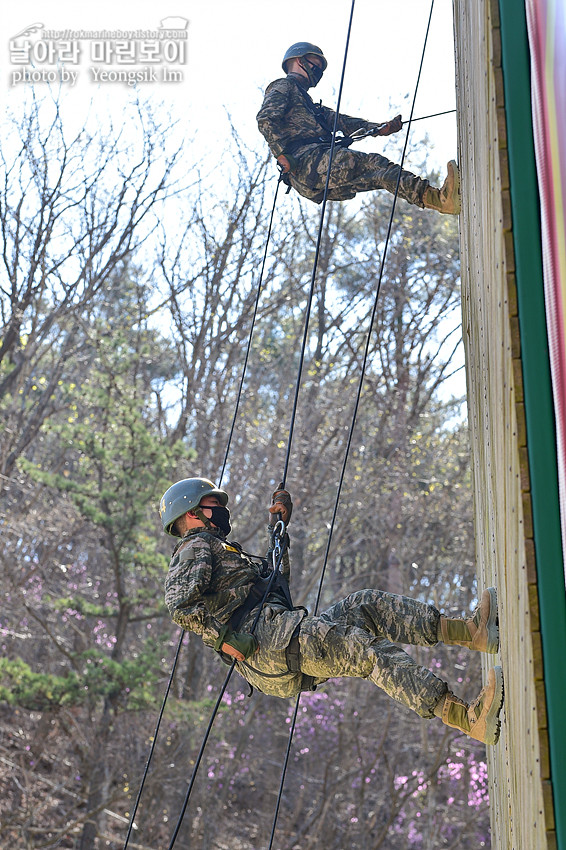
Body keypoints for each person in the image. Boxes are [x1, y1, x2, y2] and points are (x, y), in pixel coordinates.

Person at [161, 477, 504, 745]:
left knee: (365, 605)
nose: (221, 509)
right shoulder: (195, 546)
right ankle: (468, 719)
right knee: (365, 651)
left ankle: (473, 633)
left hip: (279, 636)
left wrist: (278, 530)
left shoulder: (218, 548)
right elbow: (179, 605)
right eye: (213, 503)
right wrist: (224, 640)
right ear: (193, 511)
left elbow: (275, 585)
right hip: (270, 644)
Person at [256, 41, 460, 214]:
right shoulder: (284, 86)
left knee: (381, 174)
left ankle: (441, 200)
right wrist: (281, 153)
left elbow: (342, 122)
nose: (318, 72)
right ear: (299, 61)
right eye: (315, 65)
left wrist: (380, 128)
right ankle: (439, 199)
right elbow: (266, 118)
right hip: (307, 163)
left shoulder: (310, 106)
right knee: (375, 164)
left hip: (312, 174)